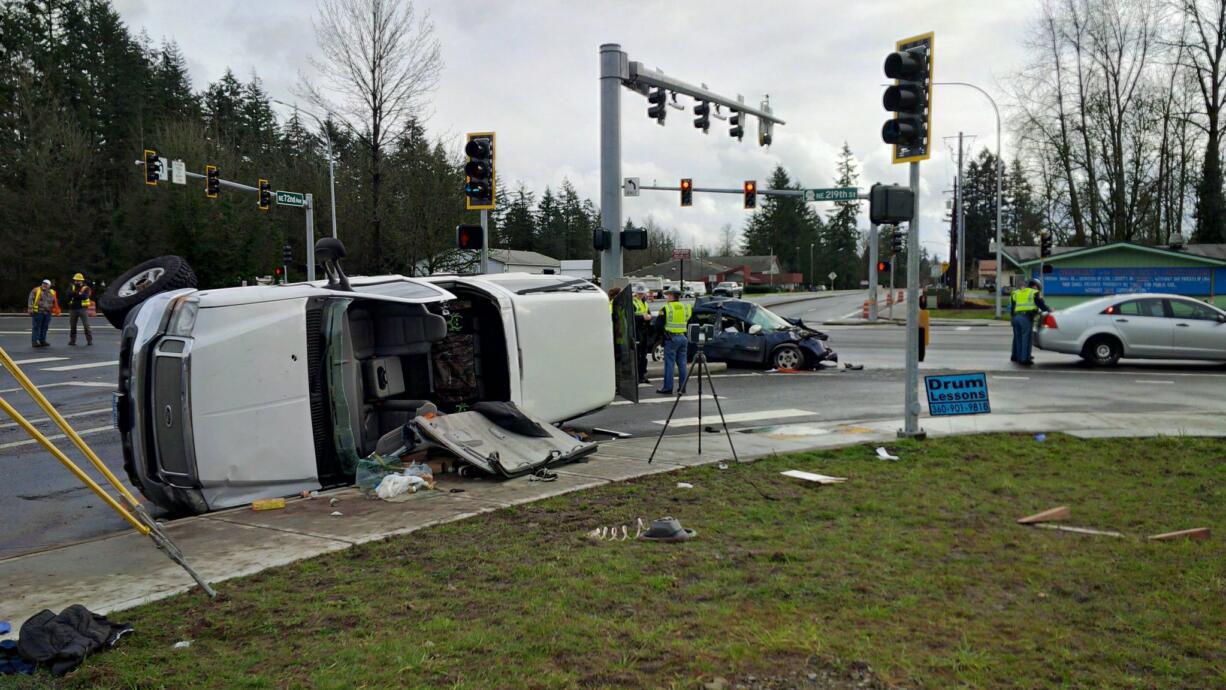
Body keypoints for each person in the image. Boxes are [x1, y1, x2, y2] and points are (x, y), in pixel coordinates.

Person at [654, 290, 692, 395]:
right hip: (683, 338)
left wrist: (662, 336)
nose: (667, 298)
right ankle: (682, 387)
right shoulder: (686, 308)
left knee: (669, 364)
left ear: (671, 296)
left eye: (668, 296)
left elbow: (658, 326)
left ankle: (667, 388)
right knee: (682, 364)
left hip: (671, 339)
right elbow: (689, 320)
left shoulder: (666, 308)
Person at [1010, 278, 1049, 365]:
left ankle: (1018, 356)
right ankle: (1024, 359)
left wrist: (1012, 319)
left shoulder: (1017, 292)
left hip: (1016, 317)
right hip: (1025, 318)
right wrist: (1049, 310)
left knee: (1018, 339)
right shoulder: (1033, 293)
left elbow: (1013, 307)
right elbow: (1041, 305)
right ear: (1034, 286)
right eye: (1037, 287)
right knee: (1026, 339)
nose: (1038, 289)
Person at [27, 279, 59, 348]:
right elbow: (30, 299)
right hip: (38, 312)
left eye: (46, 284)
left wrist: (57, 310)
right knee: (36, 327)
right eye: (43, 283)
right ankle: (34, 342)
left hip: (48, 312)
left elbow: (55, 301)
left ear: (49, 286)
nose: (44, 285)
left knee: (45, 327)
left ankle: (42, 340)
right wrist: (30, 308)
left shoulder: (52, 292)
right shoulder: (36, 290)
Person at [65, 272, 94, 346]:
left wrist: (74, 294)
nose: (77, 282)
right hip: (73, 309)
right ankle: (72, 341)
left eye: (78, 280)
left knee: (86, 325)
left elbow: (85, 297)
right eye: (76, 280)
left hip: (82, 309)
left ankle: (89, 340)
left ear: (82, 281)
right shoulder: (71, 287)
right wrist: (78, 294)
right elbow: (68, 294)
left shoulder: (86, 288)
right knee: (72, 326)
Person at [632, 287, 653, 384]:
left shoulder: (645, 302)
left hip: (644, 331)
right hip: (637, 331)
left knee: (643, 356)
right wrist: (643, 317)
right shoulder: (633, 302)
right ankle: (637, 376)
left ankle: (642, 375)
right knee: (637, 356)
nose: (641, 295)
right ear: (635, 293)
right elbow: (631, 317)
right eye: (639, 293)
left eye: (642, 293)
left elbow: (648, 314)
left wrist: (649, 317)